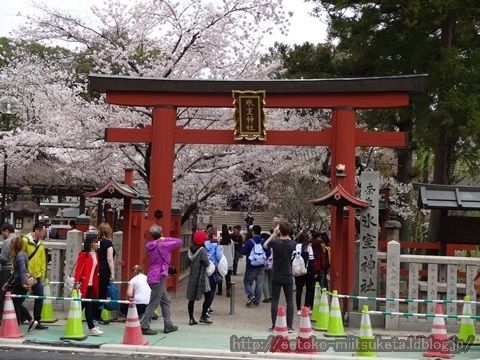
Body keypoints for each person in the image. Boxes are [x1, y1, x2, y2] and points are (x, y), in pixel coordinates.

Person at [140, 225, 182, 335]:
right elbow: (179, 241)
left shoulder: (149, 245)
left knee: (166, 300)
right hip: (158, 277)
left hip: (152, 275)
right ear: (161, 233)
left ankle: (168, 324)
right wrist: (165, 239)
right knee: (153, 303)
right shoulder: (164, 245)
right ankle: (144, 325)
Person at [263, 222, 296, 332]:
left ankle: (274, 325)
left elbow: (265, 245)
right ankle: (290, 326)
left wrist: (274, 234)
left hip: (276, 274)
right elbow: (289, 239)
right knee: (290, 300)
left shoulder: (275, 242)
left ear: (279, 231)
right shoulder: (293, 243)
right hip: (288, 274)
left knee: (275, 300)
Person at [1, 237, 38, 332]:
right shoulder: (20, 254)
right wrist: (7, 282)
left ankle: (27, 321)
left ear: (15, 246)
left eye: (12, 245)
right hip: (19, 283)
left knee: (13, 304)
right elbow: (16, 272)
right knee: (15, 304)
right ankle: (25, 321)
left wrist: (22, 283)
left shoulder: (19, 256)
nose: (10, 247)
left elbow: (21, 271)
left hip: (20, 284)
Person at [73, 237, 103, 336]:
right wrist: (77, 282)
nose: (97, 243)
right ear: (90, 244)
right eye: (95, 242)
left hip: (91, 284)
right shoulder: (83, 255)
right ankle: (91, 327)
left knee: (85, 306)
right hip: (83, 284)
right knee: (84, 306)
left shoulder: (96, 255)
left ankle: (88, 326)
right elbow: (78, 269)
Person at [22, 222, 48, 330]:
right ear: (37, 230)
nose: (44, 233)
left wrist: (43, 273)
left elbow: (43, 260)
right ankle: (23, 317)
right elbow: (21, 257)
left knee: (40, 297)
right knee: (20, 298)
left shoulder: (41, 244)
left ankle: (37, 320)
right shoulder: (25, 241)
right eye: (43, 231)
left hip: (37, 276)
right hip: (27, 275)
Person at [186, 230, 212, 325]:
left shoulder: (190, 250)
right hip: (202, 276)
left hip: (192, 276)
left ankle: (191, 318)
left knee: (191, 299)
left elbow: (187, 263)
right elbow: (206, 263)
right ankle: (203, 316)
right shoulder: (202, 250)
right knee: (209, 296)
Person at [241, 224, 270, 307]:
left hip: (251, 265)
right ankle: (257, 300)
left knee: (247, 282)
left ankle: (251, 296)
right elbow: (268, 253)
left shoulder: (250, 241)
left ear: (253, 231)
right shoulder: (263, 241)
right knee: (259, 283)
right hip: (261, 265)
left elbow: (243, 251)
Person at [96, 222, 116, 323]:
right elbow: (110, 259)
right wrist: (112, 273)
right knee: (102, 293)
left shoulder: (96, 242)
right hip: (105, 270)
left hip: (96, 269)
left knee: (96, 292)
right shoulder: (108, 243)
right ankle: (98, 316)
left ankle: (93, 314)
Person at [203, 227, 223, 318]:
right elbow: (219, 256)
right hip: (213, 268)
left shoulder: (204, 243)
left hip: (204, 268)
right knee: (212, 290)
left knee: (206, 289)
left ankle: (206, 307)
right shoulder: (217, 245)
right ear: (215, 236)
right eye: (219, 235)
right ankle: (207, 309)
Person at [293, 230, 315, 315]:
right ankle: (306, 307)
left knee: (299, 290)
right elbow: (312, 261)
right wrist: (313, 272)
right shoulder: (309, 248)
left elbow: (292, 258)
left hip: (298, 271)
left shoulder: (296, 246)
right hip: (307, 271)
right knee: (308, 290)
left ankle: (298, 309)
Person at [0, 223, 15, 316]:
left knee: (2, 295)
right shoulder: (18, 240)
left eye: (2, 233)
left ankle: (2, 317)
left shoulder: (7, 242)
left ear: (7, 231)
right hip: (14, 270)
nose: (2, 235)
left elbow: (3, 258)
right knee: (11, 295)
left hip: (6, 271)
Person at [219, 224, 235, 297]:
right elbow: (233, 251)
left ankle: (220, 290)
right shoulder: (231, 241)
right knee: (228, 277)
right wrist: (232, 259)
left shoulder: (219, 240)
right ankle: (228, 290)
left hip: (221, 261)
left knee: (220, 276)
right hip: (229, 261)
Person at [261, 232, 272, 303]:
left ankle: (266, 297)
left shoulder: (262, 244)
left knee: (264, 280)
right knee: (271, 280)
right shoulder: (272, 244)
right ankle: (272, 296)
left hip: (264, 263)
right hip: (272, 263)